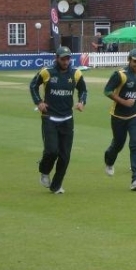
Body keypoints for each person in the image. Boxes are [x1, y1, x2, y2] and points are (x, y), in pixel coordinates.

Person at [29, 46, 87, 194]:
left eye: (68, 58)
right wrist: (39, 102)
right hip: (50, 117)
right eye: (63, 59)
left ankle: (56, 185)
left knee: (65, 156)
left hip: (67, 118)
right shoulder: (47, 72)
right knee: (51, 151)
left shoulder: (76, 73)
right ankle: (44, 170)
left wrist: (81, 102)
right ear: (57, 58)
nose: (66, 61)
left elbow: (83, 90)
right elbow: (33, 85)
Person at [103, 48, 136, 190]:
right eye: (135, 61)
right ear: (129, 60)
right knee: (118, 143)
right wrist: (123, 102)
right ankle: (109, 159)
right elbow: (107, 91)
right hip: (118, 115)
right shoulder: (120, 75)